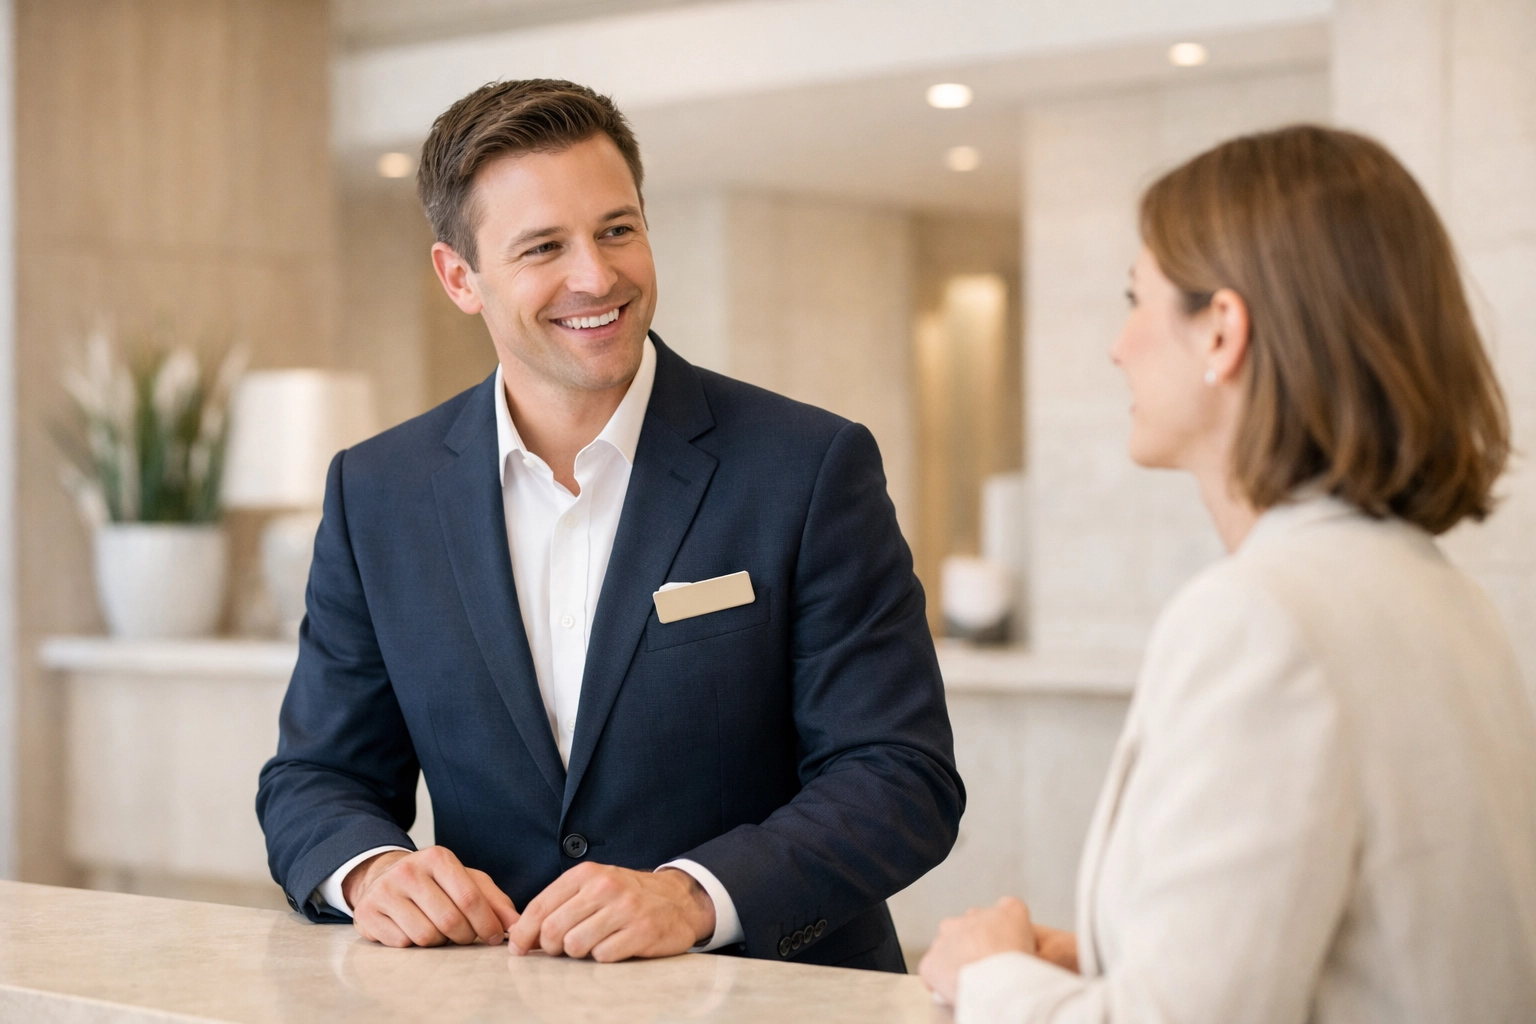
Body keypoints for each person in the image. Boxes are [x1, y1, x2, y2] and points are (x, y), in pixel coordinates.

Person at [256, 79, 963, 972]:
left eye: (617, 229)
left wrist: (693, 895)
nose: (596, 276)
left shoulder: (810, 466)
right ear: (459, 277)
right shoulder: (377, 492)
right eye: (544, 246)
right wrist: (371, 872)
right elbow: (317, 776)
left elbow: (901, 779)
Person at [920, 124, 1536, 1021]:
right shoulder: (1445, 596)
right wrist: (1110, 956)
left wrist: (988, 972)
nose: (1118, 346)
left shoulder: (1263, 619)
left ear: (1221, 330)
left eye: (1138, 300)